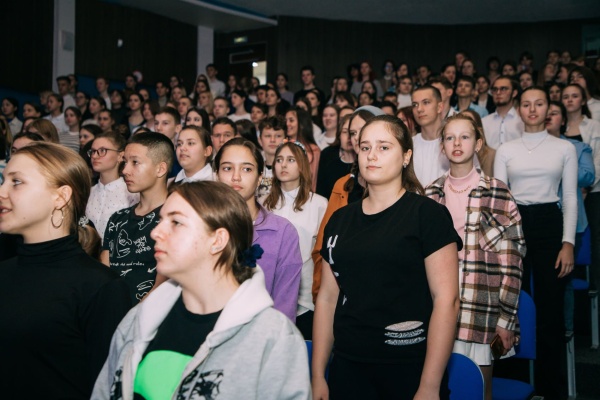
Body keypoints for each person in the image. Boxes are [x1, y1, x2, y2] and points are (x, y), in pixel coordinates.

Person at [92, 181, 310, 399]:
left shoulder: (272, 336)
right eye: (160, 221)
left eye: (176, 222)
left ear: (217, 240)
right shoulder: (138, 319)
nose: (156, 232)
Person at [312, 115, 461, 399]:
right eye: (365, 147)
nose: (372, 155)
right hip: (348, 364)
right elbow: (328, 298)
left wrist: (429, 386)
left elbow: (447, 300)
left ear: (406, 156)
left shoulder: (427, 215)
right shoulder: (339, 220)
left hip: (408, 366)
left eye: (383, 147)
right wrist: (318, 374)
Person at [0, 142, 131, 399]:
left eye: (16, 182)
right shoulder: (3, 272)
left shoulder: (100, 287)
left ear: (60, 197)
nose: (2, 191)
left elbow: (109, 389)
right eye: (4, 180)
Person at [426, 114, 525, 399]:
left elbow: (513, 262)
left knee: (479, 390)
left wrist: (506, 320)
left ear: (478, 143)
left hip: (482, 305)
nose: (457, 143)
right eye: (450, 137)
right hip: (438, 304)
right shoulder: (430, 194)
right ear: (442, 146)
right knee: (438, 387)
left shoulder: (498, 193)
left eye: (465, 137)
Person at [494, 87, 577, 400]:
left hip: (549, 224)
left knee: (550, 311)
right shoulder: (506, 149)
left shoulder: (564, 148)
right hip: (514, 223)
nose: (532, 109)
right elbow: (500, 200)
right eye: (526, 104)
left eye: (539, 103)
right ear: (519, 109)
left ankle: (552, 391)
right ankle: (511, 385)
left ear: (548, 108)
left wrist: (568, 243)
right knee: (510, 306)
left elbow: (570, 198)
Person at [214, 138, 303, 321]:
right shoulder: (201, 227)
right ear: (216, 175)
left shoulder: (282, 232)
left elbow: (284, 308)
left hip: (262, 332)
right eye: (227, 168)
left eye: (246, 169)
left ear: (260, 177)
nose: (236, 177)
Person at [262, 142, 328, 339]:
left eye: (290, 160)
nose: (283, 165)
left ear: (301, 165)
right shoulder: (263, 203)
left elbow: (321, 254)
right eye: (279, 160)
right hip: (269, 294)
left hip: (305, 295)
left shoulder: (318, 204)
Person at [100, 133, 173, 304]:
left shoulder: (174, 220)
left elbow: (165, 284)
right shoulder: (117, 219)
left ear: (160, 169)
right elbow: (103, 276)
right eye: (125, 162)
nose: (125, 170)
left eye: (135, 162)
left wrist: (134, 316)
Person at [86, 131, 139, 241]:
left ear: (120, 156)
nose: (94, 156)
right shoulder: (88, 192)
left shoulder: (132, 193)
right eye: (93, 151)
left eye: (102, 151)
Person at [411, 85, 449, 186]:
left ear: (439, 107)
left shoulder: (455, 143)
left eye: (426, 102)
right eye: (415, 105)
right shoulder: (408, 144)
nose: (419, 109)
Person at [316, 114, 355, 198]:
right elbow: (321, 192)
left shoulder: (364, 164)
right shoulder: (330, 162)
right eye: (345, 132)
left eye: (353, 133)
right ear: (339, 135)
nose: (349, 137)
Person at [482, 76, 524, 150]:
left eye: (503, 89)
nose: (498, 93)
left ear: (514, 93)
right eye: (495, 89)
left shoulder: (522, 121)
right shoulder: (484, 122)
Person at [285, 107, 321, 191]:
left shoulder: (314, 150)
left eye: (291, 120)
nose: (287, 124)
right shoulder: (283, 147)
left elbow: (314, 180)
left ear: (302, 124)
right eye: (285, 121)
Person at [257, 116, 287, 200]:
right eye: (267, 136)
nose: (272, 140)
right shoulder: (253, 166)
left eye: (278, 136)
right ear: (260, 140)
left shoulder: (294, 167)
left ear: (285, 140)